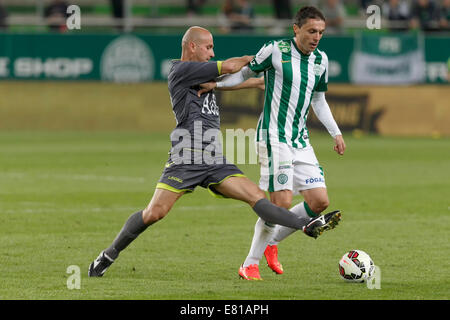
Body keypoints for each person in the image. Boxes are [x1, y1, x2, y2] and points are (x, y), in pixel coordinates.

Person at [88, 26, 342, 278]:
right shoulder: (181, 69)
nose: (212, 53)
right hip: (186, 156)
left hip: (213, 159)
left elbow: (232, 81)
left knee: (257, 197)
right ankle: (109, 254)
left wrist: (265, 81)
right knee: (155, 213)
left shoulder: (202, 74)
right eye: (208, 47)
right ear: (192, 46)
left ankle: (307, 224)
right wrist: (267, 55)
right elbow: (232, 67)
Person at [198, 6, 346, 280]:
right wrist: (216, 86)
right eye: (312, 31)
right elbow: (244, 75)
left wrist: (335, 132)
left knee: (319, 200)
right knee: (280, 203)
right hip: (272, 135)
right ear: (296, 29)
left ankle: (273, 242)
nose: (317, 37)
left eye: (321, 32)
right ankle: (249, 263)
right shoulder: (275, 50)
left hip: (299, 139)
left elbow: (318, 99)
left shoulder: (320, 60)